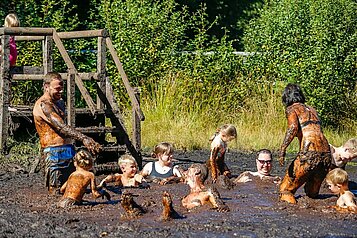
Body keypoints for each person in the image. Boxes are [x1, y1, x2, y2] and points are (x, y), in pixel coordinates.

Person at [33, 72, 102, 194]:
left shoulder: (59, 103)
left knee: (73, 186)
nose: (60, 92)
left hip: (68, 150)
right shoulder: (44, 105)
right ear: (46, 87)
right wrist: (84, 138)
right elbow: (61, 127)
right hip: (53, 151)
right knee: (55, 190)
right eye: (57, 89)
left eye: (61, 89)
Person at [278, 83, 331, 204]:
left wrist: (283, 148)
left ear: (286, 98)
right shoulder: (312, 110)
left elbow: (293, 128)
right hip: (326, 156)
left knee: (285, 190)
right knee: (311, 193)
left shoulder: (292, 109)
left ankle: (292, 217)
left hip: (310, 153)